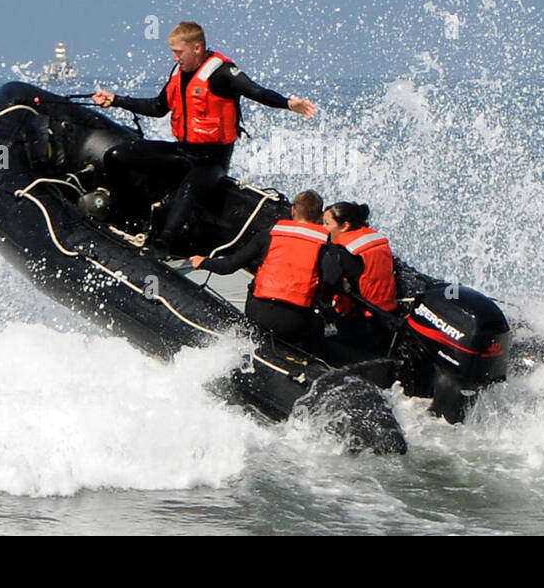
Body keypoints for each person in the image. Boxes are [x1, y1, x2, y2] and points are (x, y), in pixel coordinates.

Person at [92, 22, 316, 256]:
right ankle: (125, 216)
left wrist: (289, 104)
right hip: (182, 151)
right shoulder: (179, 75)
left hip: (212, 160)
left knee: (188, 189)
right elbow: (157, 107)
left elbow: (257, 92)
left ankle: (163, 243)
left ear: (197, 48)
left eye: (178, 52)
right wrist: (115, 99)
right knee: (117, 155)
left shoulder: (222, 73)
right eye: (173, 52)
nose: (174, 58)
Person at [190, 190, 360, 346]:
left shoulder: (268, 236)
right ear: (319, 216)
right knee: (318, 325)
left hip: (257, 313)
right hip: (294, 320)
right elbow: (332, 279)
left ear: (293, 211)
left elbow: (228, 266)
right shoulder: (325, 247)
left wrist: (203, 262)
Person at [323, 201, 399, 348]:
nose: (323, 228)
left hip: (363, 324)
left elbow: (328, 284)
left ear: (345, 226)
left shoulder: (342, 253)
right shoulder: (374, 238)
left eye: (327, 224)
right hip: (389, 315)